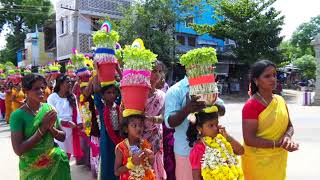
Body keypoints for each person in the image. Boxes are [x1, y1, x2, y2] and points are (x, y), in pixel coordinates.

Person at [242, 60, 299, 180]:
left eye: (274, 75)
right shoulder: (251, 105)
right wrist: (277, 144)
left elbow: (290, 126)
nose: (273, 79)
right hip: (258, 163)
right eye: (267, 76)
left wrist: (287, 138)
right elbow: (249, 139)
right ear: (256, 81)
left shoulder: (280, 100)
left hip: (278, 160)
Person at [10, 73, 71, 179]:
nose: (41, 91)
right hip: (32, 169)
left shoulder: (49, 109)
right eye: (36, 88)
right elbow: (18, 150)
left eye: (43, 87)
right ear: (25, 91)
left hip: (56, 164)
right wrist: (42, 129)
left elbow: (62, 137)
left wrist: (51, 129)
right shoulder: (17, 116)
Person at [164, 75, 225, 180]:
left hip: (210, 150)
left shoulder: (207, 85)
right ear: (186, 65)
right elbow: (169, 122)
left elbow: (222, 110)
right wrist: (187, 109)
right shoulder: (176, 90)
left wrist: (209, 102)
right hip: (185, 151)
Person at [187, 106, 244, 180]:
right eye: (211, 125)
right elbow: (196, 175)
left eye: (217, 124)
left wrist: (227, 137)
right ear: (199, 128)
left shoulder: (222, 139)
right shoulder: (199, 149)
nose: (215, 128)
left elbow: (241, 151)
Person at [47, 75, 83, 160]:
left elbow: (76, 111)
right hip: (59, 128)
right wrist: (64, 122)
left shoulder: (72, 96)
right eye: (68, 82)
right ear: (60, 84)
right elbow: (51, 115)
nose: (70, 83)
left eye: (70, 81)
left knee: (68, 153)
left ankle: (66, 170)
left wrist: (80, 123)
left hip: (71, 128)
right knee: (60, 153)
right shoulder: (52, 97)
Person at [143, 61, 167, 180]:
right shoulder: (139, 93)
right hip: (140, 137)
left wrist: (150, 118)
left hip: (156, 137)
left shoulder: (161, 95)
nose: (157, 74)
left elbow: (162, 117)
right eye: (154, 71)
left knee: (156, 168)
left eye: (159, 71)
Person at [114, 115, 156, 180]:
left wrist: (151, 157)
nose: (138, 128)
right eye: (134, 126)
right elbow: (116, 172)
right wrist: (131, 163)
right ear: (126, 129)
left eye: (141, 125)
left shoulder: (145, 144)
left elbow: (150, 164)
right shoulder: (121, 148)